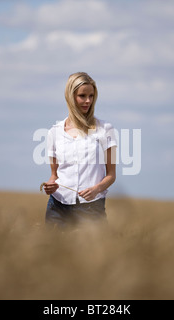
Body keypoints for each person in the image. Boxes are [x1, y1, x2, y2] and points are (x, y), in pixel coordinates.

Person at [42, 72, 117, 229]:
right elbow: (54, 175)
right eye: (82, 96)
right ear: (70, 96)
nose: (88, 101)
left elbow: (111, 175)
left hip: (91, 209)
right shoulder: (54, 132)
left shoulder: (106, 129)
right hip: (57, 208)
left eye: (91, 96)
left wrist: (96, 189)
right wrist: (50, 185)